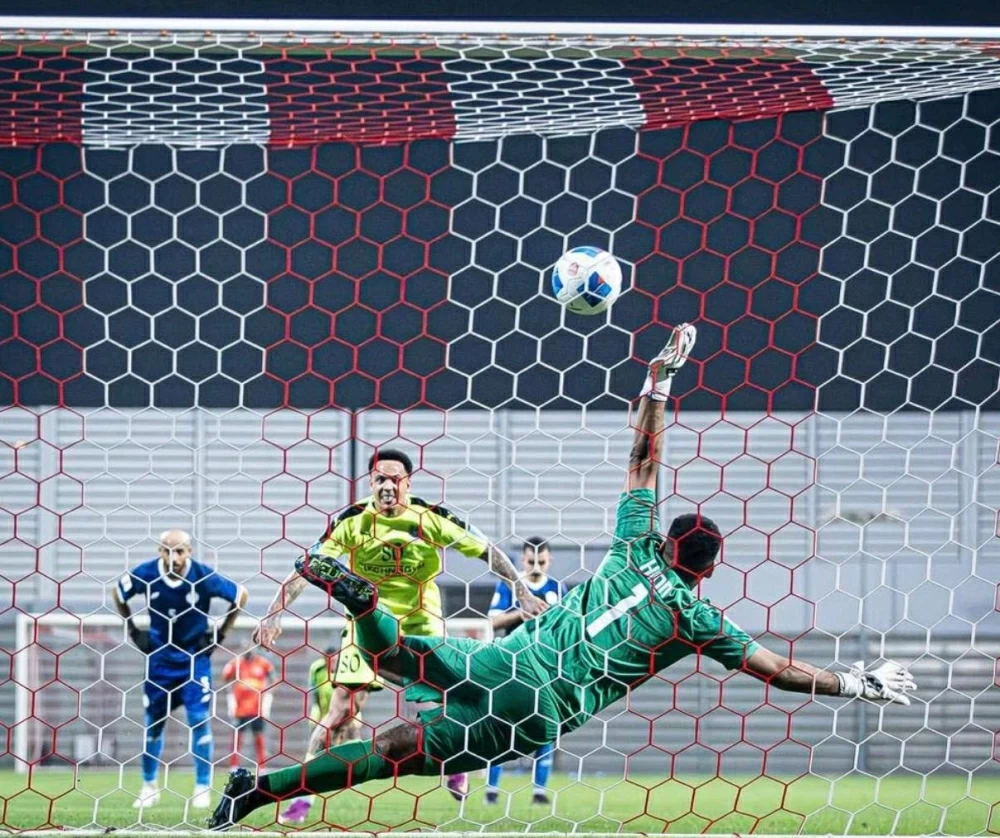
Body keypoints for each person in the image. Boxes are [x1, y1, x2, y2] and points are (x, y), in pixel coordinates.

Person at [210, 323, 917, 830]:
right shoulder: (697, 621)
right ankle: (260, 790)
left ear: (667, 542)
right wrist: (860, 682)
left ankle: (268, 772)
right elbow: (775, 669)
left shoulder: (630, 547)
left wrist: (658, 383)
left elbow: (643, 463)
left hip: (503, 659)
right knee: (400, 755)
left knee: (391, 659)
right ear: (708, 570)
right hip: (539, 709)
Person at [255, 449, 546, 823]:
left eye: (395, 478)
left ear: (408, 481)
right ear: (371, 482)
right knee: (340, 708)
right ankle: (302, 797)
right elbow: (309, 566)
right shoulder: (353, 520)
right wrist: (274, 611)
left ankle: (455, 764)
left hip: (421, 625)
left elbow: (488, 552)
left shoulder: (431, 518)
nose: (387, 485)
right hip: (367, 623)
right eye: (380, 478)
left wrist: (521, 590)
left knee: (444, 705)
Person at [112, 529, 248, 811]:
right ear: (159, 551)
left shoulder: (203, 576)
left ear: (189, 552)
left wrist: (221, 633)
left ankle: (202, 787)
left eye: (179, 551)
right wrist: (133, 629)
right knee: (153, 725)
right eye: (166, 550)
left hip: (194, 659)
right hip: (159, 661)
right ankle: (149, 786)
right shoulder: (147, 573)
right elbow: (118, 591)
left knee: (199, 721)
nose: (173, 557)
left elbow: (241, 595)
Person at [486, 536, 567, 806]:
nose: (535, 567)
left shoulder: (557, 588)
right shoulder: (510, 585)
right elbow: (493, 621)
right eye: (531, 561)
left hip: (545, 667)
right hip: (511, 665)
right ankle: (491, 789)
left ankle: (539, 792)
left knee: (546, 725)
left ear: (549, 560)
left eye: (541, 562)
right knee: (502, 726)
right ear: (522, 560)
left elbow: (568, 627)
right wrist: (520, 614)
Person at [278, 643, 373, 825]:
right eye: (328, 660)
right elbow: (315, 694)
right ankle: (299, 807)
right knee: (314, 756)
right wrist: (321, 720)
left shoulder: (353, 667)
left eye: (335, 659)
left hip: (348, 718)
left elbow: (354, 700)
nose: (331, 662)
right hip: (327, 717)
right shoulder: (318, 669)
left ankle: (355, 777)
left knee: (356, 752)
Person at [222, 650, 274, 769]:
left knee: (259, 737)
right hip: (240, 709)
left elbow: (274, 679)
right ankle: (234, 765)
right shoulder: (236, 663)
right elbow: (225, 677)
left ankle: (262, 766)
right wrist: (230, 697)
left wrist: (268, 697)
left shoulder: (263, 663)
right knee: (237, 738)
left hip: (257, 708)